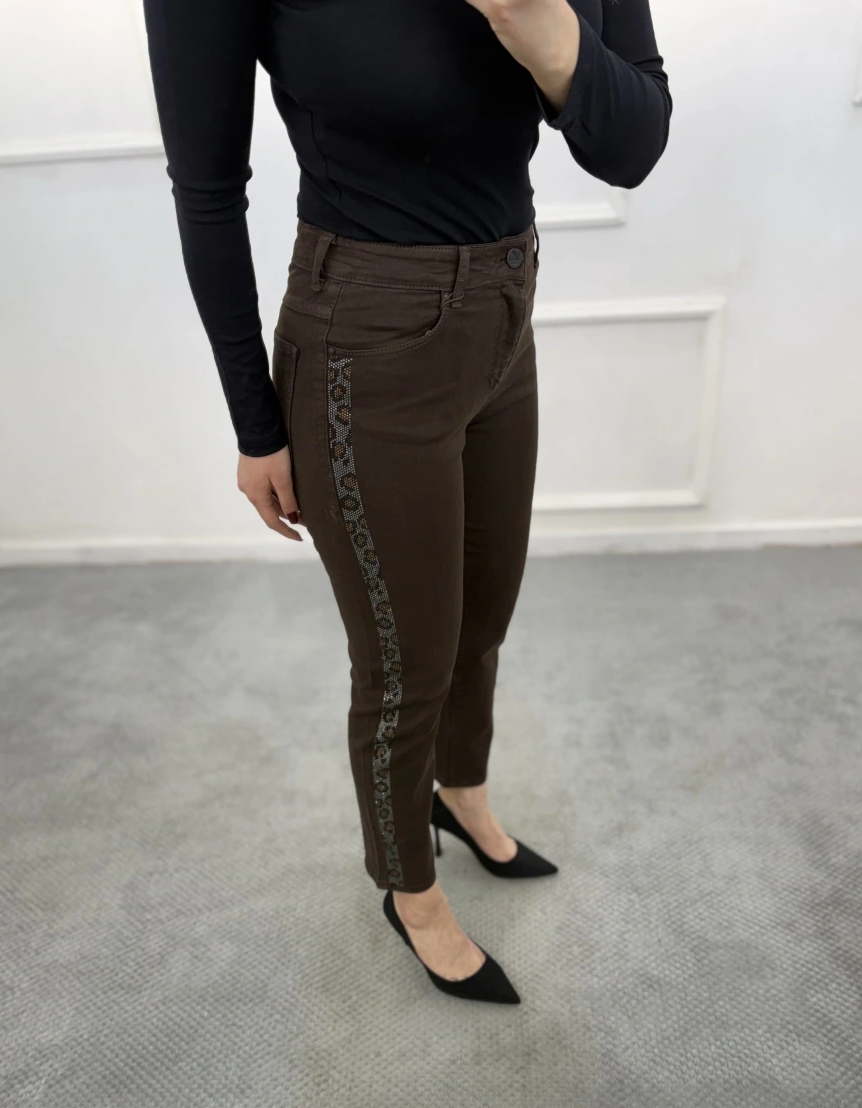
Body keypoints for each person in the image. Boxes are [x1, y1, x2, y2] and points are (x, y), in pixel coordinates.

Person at [141, 0, 672, 1005]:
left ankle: (459, 792)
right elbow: (206, 191)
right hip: (365, 343)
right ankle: (409, 889)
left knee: (484, 613)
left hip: (505, 312)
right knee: (404, 657)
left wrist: (544, 31)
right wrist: (256, 426)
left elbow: (633, 143)